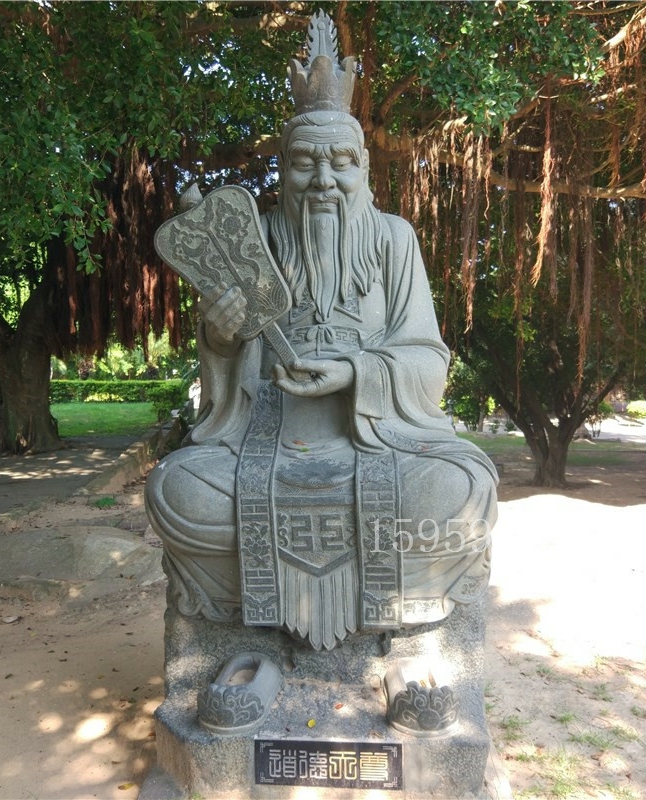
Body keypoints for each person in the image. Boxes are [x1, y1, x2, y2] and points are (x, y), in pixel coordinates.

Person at [146, 13, 497, 652]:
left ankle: (406, 645)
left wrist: (357, 372)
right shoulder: (253, 240)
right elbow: (225, 365)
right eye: (306, 163)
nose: (324, 181)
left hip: (375, 435)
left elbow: (428, 358)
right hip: (266, 434)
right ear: (283, 168)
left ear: (364, 168)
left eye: (341, 163)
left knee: (465, 488)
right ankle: (251, 649)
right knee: (176, 489)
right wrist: (221, 337)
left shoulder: (394, 240)